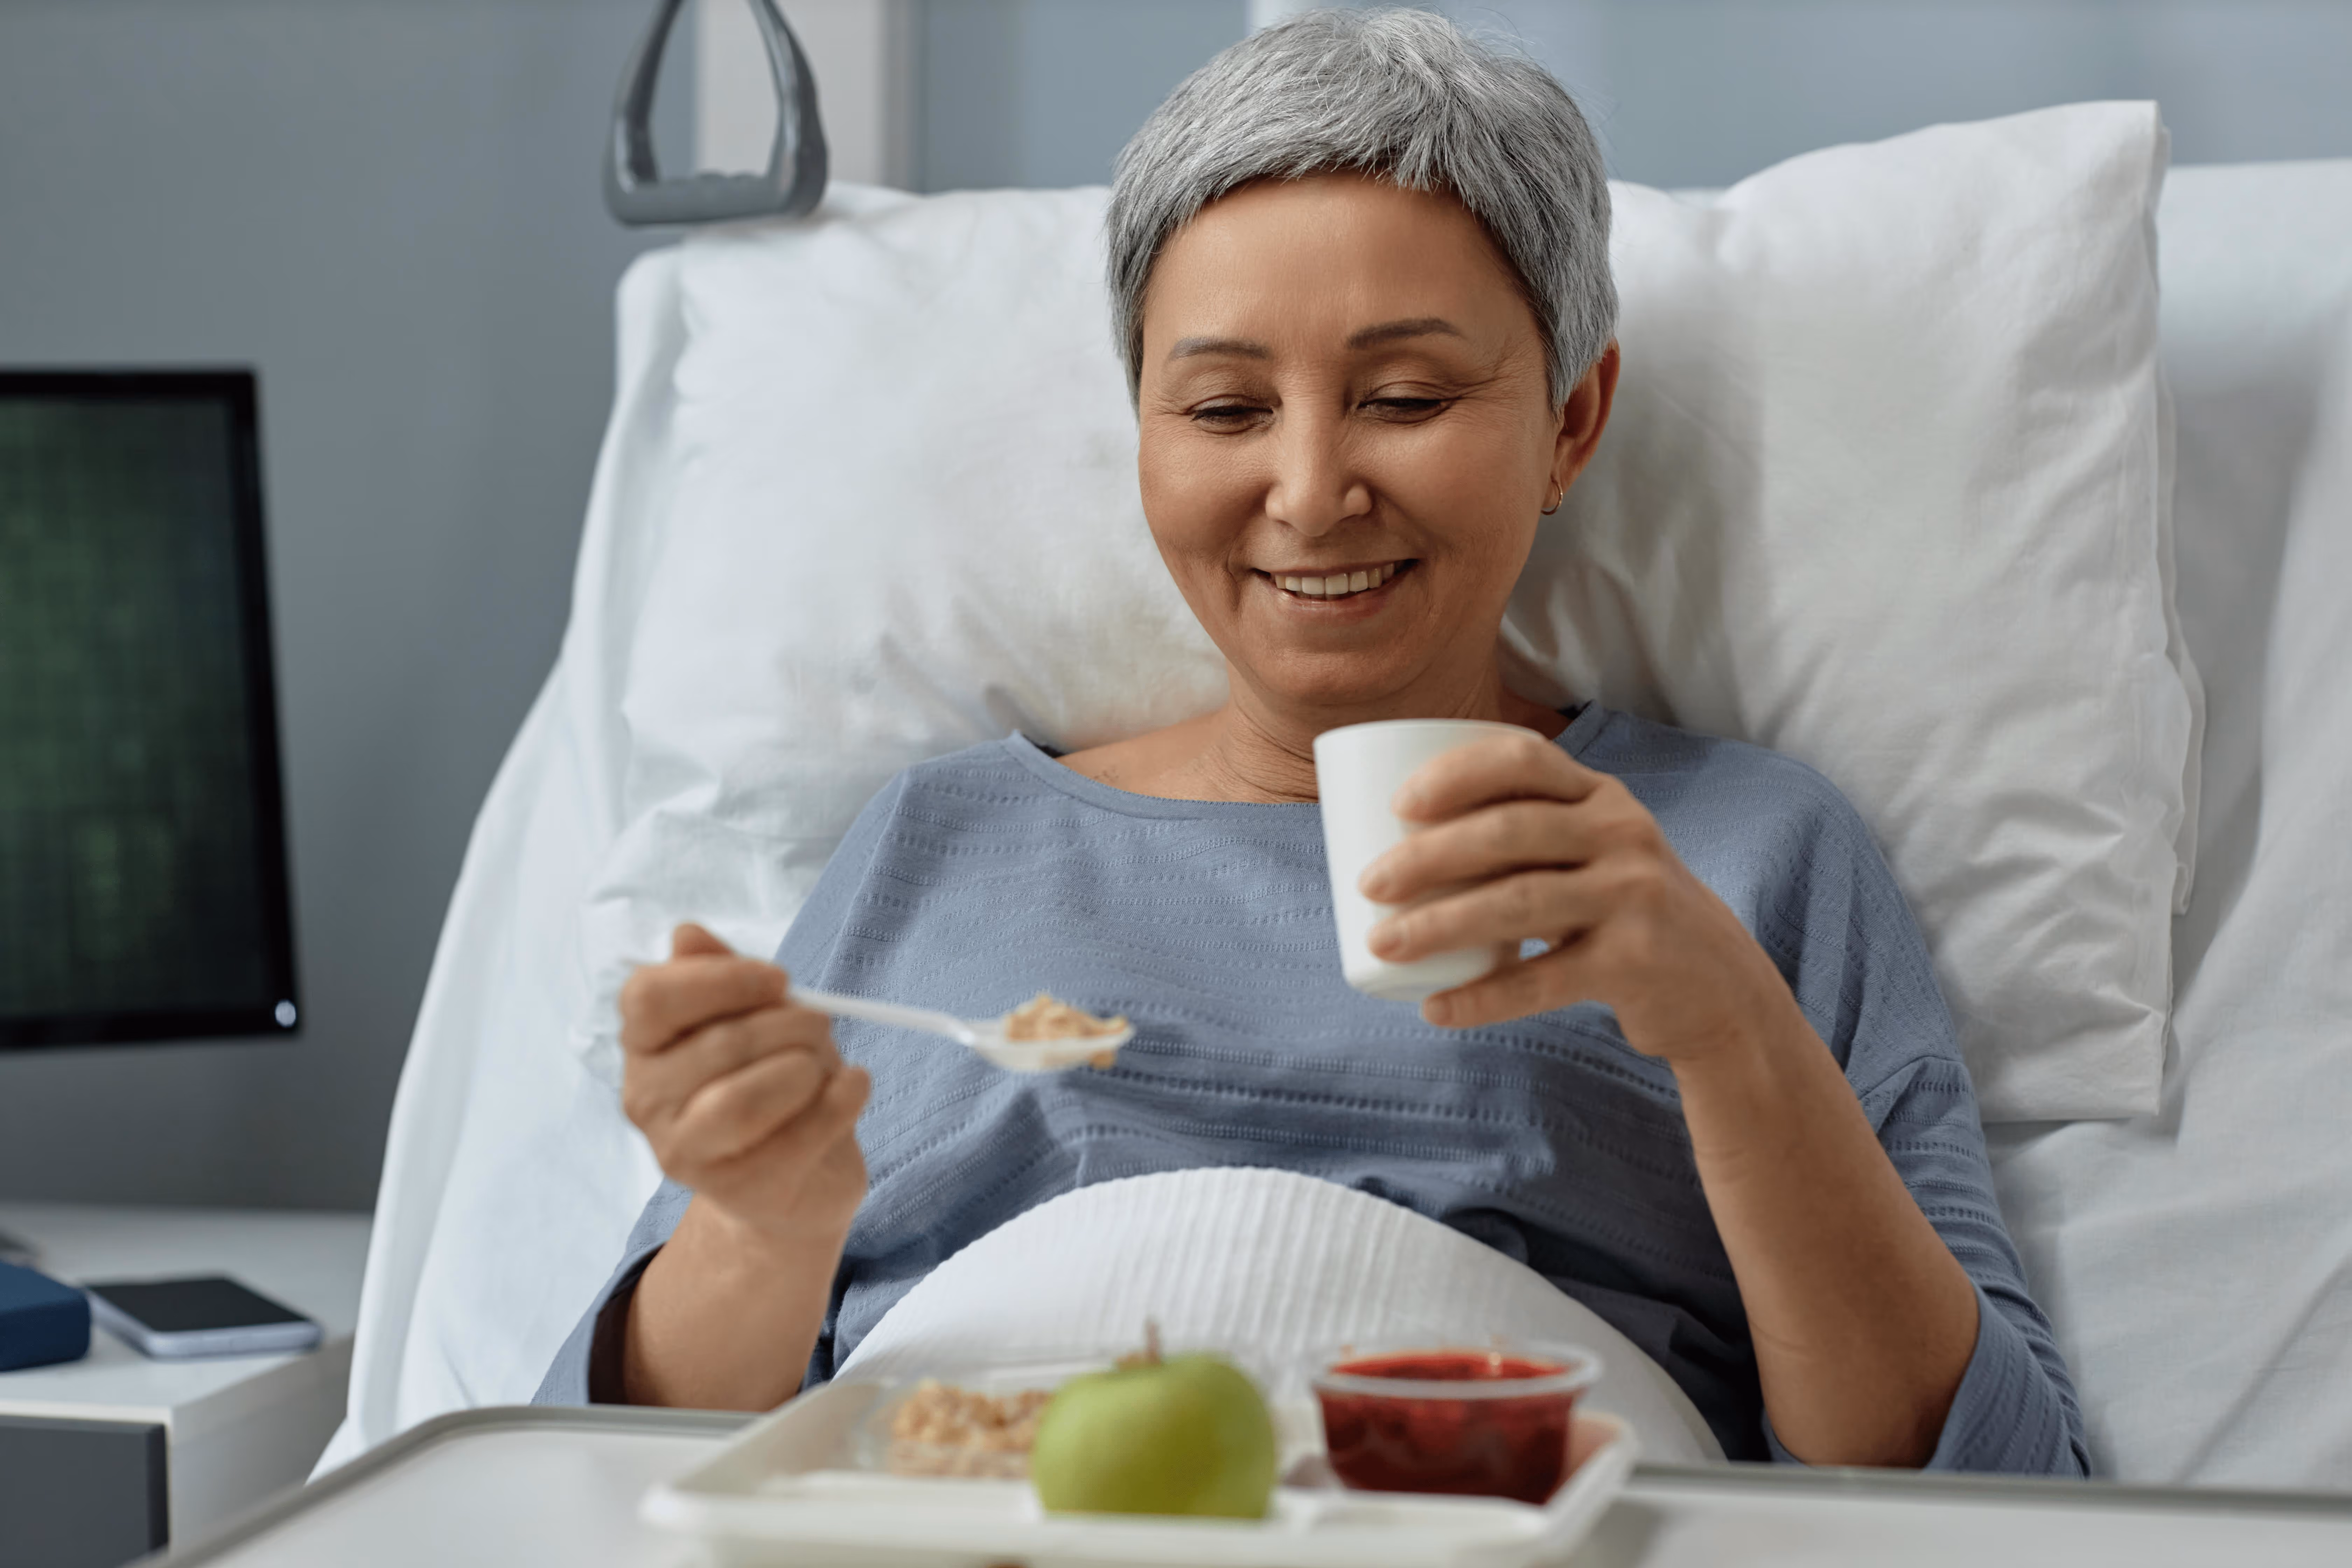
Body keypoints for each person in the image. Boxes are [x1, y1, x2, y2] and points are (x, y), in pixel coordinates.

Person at [536, 7, 2085, 1474]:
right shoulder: (938, 847)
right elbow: (607, 1460)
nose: (1309, 487)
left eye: (1404, 395)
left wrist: (1730, 1034)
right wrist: (761, 1226)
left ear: (1570, 423)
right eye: (1221, 411)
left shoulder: (1740, 857)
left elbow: (1991, 1490)